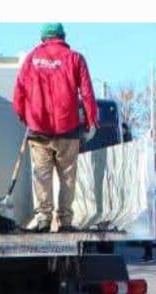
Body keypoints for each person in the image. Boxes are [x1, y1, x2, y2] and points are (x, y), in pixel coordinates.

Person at [12, 24, 98, 232]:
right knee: (67, 177)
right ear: (63, 37)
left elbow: (19, 92)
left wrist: (24, 117)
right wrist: (91, 121)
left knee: (42, 176)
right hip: (68, 129)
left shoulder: (31, 59)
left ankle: (43, 219)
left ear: (43, 38)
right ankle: (65, 221)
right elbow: (87, 93)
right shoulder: (75, 58)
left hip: (38, 129)